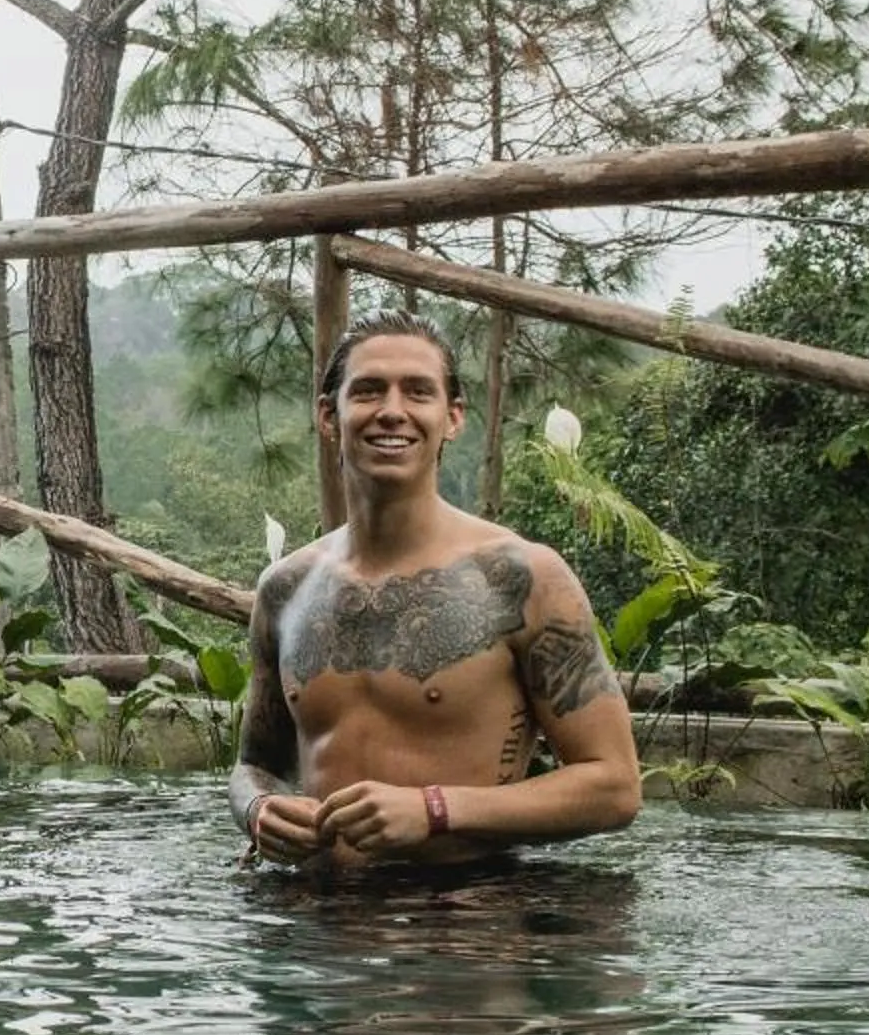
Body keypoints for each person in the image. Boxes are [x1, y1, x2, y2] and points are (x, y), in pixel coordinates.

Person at [231, 314, 641, 875]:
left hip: (463, 925)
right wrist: (257, 808)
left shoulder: (522, 577)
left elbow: (615, 786)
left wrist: (435, 809)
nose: (392, 410)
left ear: (452, 418)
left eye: (418, 391)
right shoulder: (287, 589)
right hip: (314, 929)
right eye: (369, 390)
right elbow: (254, 763)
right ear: (329, 416)